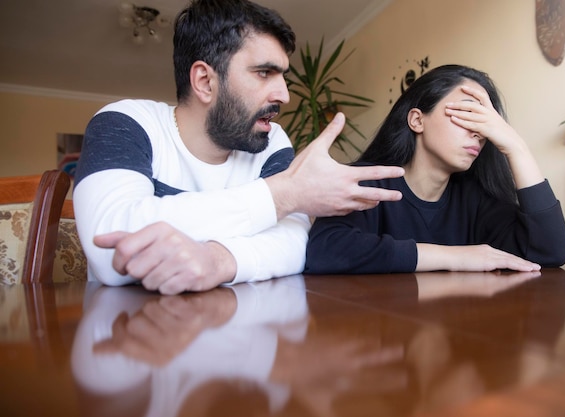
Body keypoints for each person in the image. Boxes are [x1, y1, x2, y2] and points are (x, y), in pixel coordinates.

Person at [73, 0, 404, 295]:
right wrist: (282, 195)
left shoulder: (271, 140)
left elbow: (294, 243)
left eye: (283, 76)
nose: (284, 95)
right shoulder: (127, 121)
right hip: (126, 340)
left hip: (238, 338)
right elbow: (109, 250)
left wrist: (219, 260)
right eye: (263, 73)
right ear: (205, 81)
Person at [305, 64, 565, 274]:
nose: (478, 132)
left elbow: (548, 253)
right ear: (418, 120)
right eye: (468, 114)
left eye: (486, 123)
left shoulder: (475, 198)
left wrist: (516, 147)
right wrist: (456, 257)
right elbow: (325, 250)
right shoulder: (370, 182)